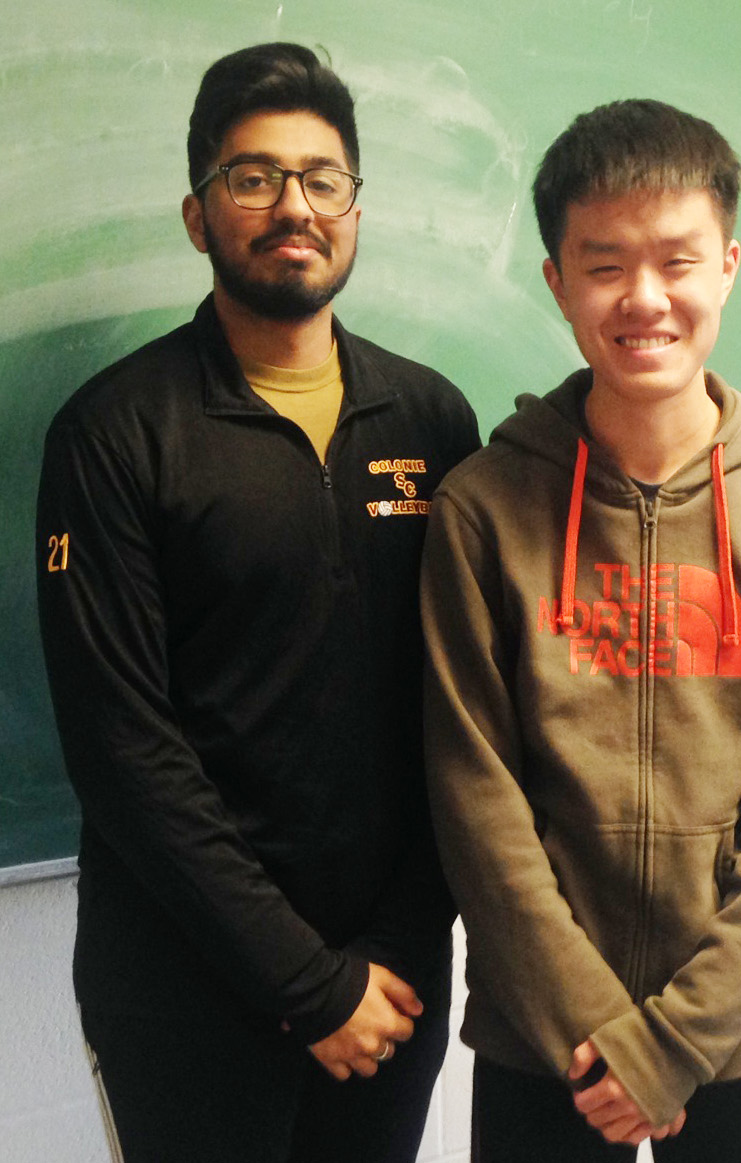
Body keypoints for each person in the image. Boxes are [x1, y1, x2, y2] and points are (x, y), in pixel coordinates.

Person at [35, 42, 479, 1163]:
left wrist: (398, 950)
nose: (294, 206)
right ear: (198, 215)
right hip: (186, 992)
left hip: (391, 983)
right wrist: (307, 982)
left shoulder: (429, 421)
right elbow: (125, 749)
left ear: (356, 211)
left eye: (322, 179)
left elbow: (461, 710)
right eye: (253, 177)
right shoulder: (115, 433)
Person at [420, 98, 741, 1162]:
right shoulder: (483, 510)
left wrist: (676, 1040)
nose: (645, 298)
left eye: (678, 259)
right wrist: (595, 1030)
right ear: (557, 281)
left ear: (729, 264)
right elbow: (477, 797)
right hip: (545, 1030)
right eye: (605, 263)